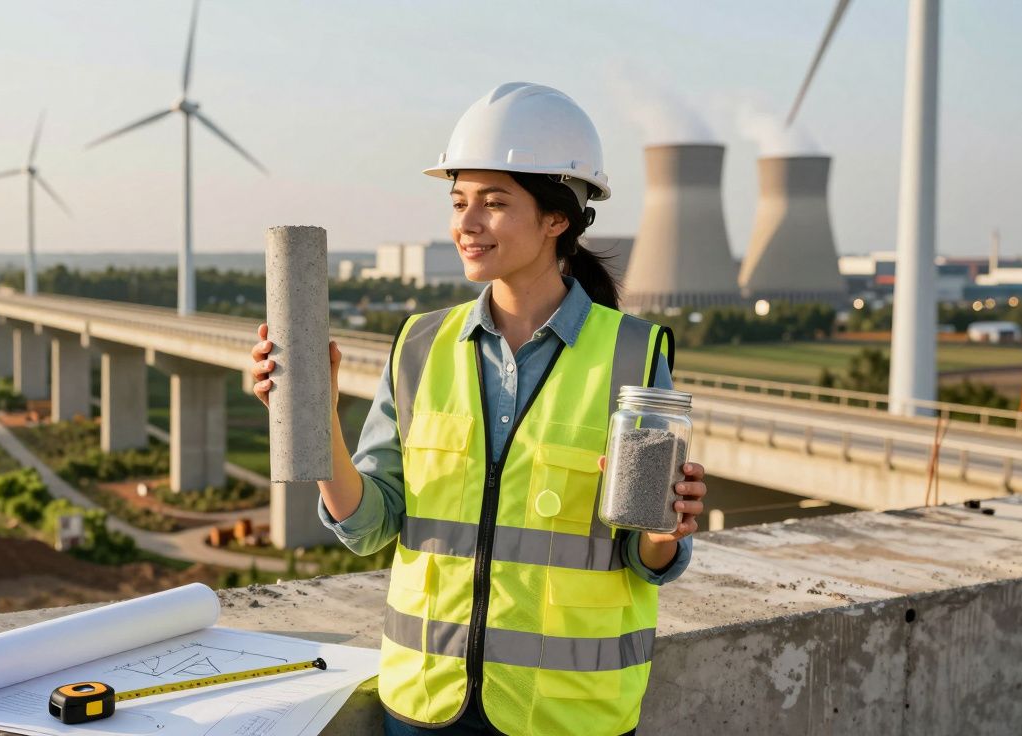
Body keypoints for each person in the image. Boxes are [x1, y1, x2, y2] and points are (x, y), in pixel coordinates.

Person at [250, 82, 707, 736]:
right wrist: (313, 414)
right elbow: (370, 525)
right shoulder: (419, 346)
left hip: (567, 716)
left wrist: (667, 531)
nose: (466, 223)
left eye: (494, 203)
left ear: (557, 218)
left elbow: (645, 557)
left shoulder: (631, 356)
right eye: (459, 201)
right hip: (423, 707)